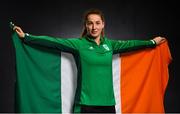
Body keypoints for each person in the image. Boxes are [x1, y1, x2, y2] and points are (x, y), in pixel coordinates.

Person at [13, 9, 166, 113]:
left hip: (108, 105)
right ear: (86, 25)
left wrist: (151, 42)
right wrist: (26, 37)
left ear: (103, 24)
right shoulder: (79, 45)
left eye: (97, 23)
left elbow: (131, 44)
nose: (94, 27)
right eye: (90, 23)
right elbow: (53, 41)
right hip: (85, 105)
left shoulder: (110, 45)